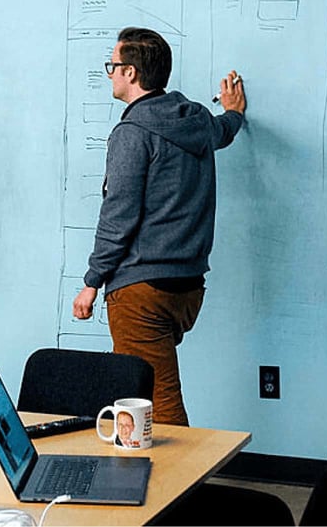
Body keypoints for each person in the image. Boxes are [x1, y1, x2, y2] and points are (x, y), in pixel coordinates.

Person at [72, 27, 246, 426]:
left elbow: (118, 215)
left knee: (155, 404)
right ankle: (136, 482)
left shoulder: (132, 134)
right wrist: (234, 112)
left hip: (141, 291)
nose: (110, 74)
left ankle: (185, 488)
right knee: (139, 400)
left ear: (131, 73)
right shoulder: (197, 121)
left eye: (113, 66)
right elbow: (224, 130)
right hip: (186, 289)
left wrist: (92, 281)